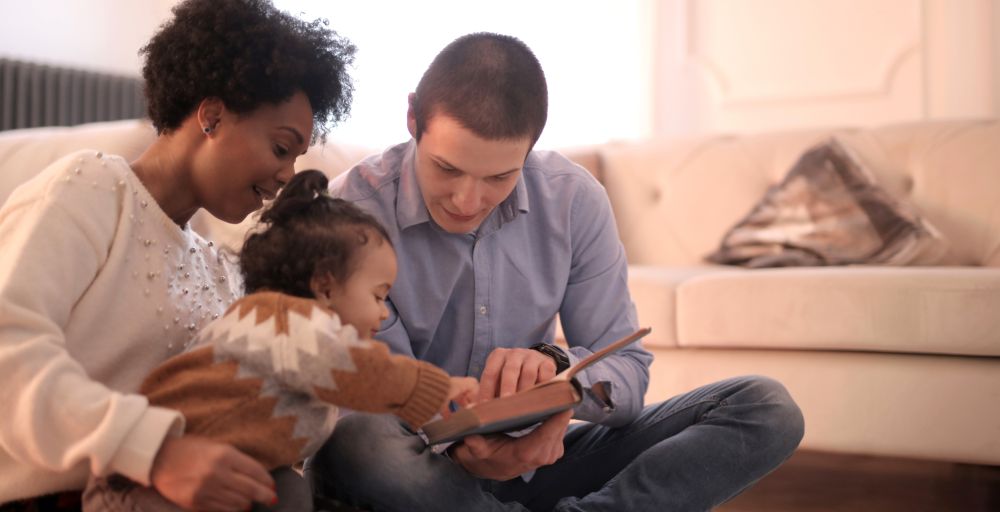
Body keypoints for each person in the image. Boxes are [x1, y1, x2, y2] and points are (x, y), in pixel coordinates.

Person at [306, 32, 806, 511]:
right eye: (447, 168)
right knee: (359, 442)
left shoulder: (573, 200)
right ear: (412, 116)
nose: (467, 200)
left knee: (764, 407)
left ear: (530, 148)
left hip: (541, 463)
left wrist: (561, 384)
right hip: (412, 473)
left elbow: (628, 375)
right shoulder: (350, 210)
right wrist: (462, 451)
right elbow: (361, 399)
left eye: (499, 176)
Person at [0, 0, 357, 510]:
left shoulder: (221, 269)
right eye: (281, 149)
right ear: (211, 116)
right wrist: (160, 453)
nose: (287, 175)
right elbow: (7, 356)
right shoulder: (92, 189)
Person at [82, 170, 479, 511]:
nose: (383, 312)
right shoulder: (291, 325)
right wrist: (434, 387)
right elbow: (357, 368)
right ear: (324, 285)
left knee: (286, 489)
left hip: (187, 477)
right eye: (377, 295)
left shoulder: (263, 322)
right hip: (143, 489)